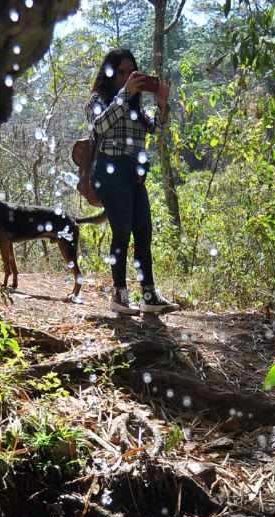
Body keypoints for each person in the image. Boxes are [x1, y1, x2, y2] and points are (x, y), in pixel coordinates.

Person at [85, 48, 179, 316]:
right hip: (110, 170)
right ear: (110, 73)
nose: (127, 77)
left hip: (135, 173)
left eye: (131, 73)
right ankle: (119, 294)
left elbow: (158, 130)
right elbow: (100, 126)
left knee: (144, 230)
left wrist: (162, 103)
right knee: (122, 230)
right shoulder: (97, 100)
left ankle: (148, 294)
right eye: (122, 72)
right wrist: (124, 94)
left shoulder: (136, 106)